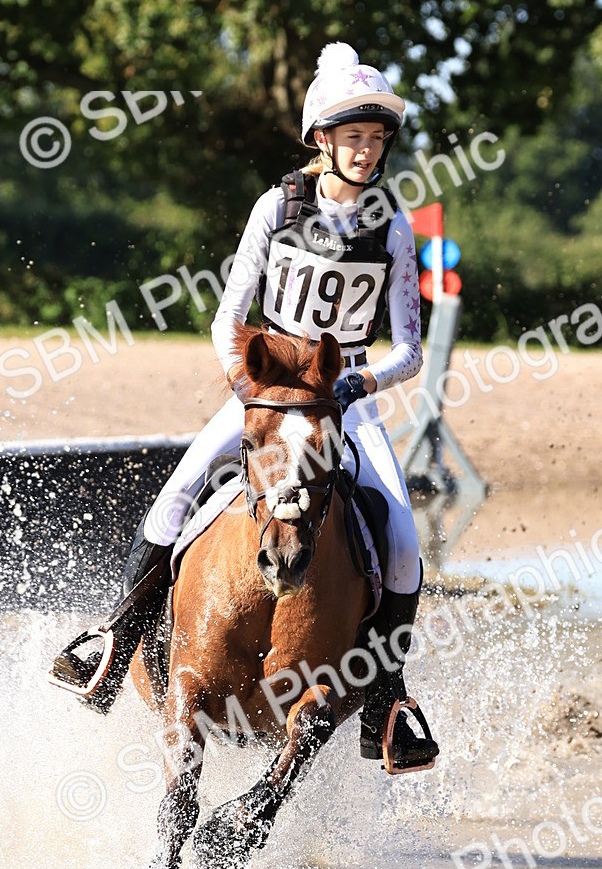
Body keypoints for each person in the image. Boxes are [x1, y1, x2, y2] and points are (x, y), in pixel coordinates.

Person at [50, 41, 439, 771]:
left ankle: (386, 702)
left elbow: (410, 350)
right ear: (322, 140)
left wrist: (363, 384)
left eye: (377, 138)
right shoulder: (277, 205)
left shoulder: (392, 225)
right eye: (353, 136)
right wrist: (243, 382)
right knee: (176, 498)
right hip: (267, 392)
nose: (366, 150)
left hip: (346, 398)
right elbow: (227, 316)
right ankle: (112, 642)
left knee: (402, 545)